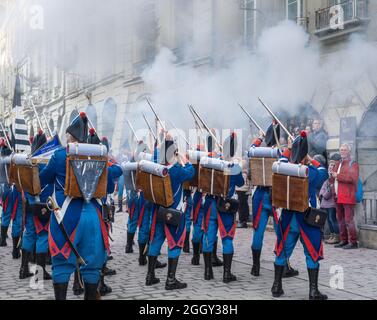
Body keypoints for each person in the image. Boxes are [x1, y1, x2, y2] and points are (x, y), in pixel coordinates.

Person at [40, 112, 110, 300]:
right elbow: (109, 185)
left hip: (68, 217)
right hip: (94, 218)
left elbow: (43, 179)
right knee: (92, 266)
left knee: (62, 265)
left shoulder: (59, 155)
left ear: (71, 136)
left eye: (67, 134)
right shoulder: (99, 155)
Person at [272, 131, 329, 300]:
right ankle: (313, 291)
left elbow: (283, 158)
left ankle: (276, 287)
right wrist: (310, 159)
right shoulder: (309, 171)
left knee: (282, 252)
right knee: (312, 253)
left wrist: (290, 149)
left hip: (289, 219)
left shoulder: (283, 167)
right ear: (304, 156)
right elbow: (323, 171)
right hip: (307, 219)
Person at [146, 136, 195, 290]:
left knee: (156, 241)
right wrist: (182, 158)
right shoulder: (175, 170)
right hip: (174, 211)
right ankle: (171, 280)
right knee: (174, 244)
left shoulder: (156, 167)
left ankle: (150, 276)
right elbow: (191, 171)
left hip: (158, 211)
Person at [201, 132, 244, 283]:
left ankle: (208, 272)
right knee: (227, 239)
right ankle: (226, 274)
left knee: (209, 236)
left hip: (211, 204)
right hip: (225, 206)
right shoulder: (234, 166)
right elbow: (240, 183)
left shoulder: (213, 162)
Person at [20, 129, 53, 280]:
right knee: (42, 235)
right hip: (41, 205)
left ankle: (23, 269)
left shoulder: (27, 162)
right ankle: (40, 271)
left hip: (29, 204)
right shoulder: (46, 162)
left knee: (29, 234)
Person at [332, 144, 359, 249]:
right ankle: (344, 240)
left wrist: (337, 176)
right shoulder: (338, 163)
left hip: (348, 195)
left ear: (349, 151)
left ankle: (353, 241)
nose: (342, 151)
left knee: (348, 220)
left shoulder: (353, 164)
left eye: (345, 150)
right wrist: (332, 176)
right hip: (337, 195)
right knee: (340, 219)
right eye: (341, 150)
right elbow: (333, 178)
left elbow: (352, 178)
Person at [320, 155, 340, 245]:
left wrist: (323, 194)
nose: (330, 167)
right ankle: (332, 235)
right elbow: (322, 189)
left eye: (332, 166)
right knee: (329, 219)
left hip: (331, 203)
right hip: (326, 203)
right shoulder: (328, 179)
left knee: (332, 219)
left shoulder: (333, 179)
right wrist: (322, 193)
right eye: (330, 166)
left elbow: (328, 192)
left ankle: (336, 236)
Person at [236, 159, 250, 229]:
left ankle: (242, 220)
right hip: (241, 186)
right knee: (243, 203)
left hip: (242, 187)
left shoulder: (243, 161)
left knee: (241, 204)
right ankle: (244, 219)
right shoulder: (241, 160)